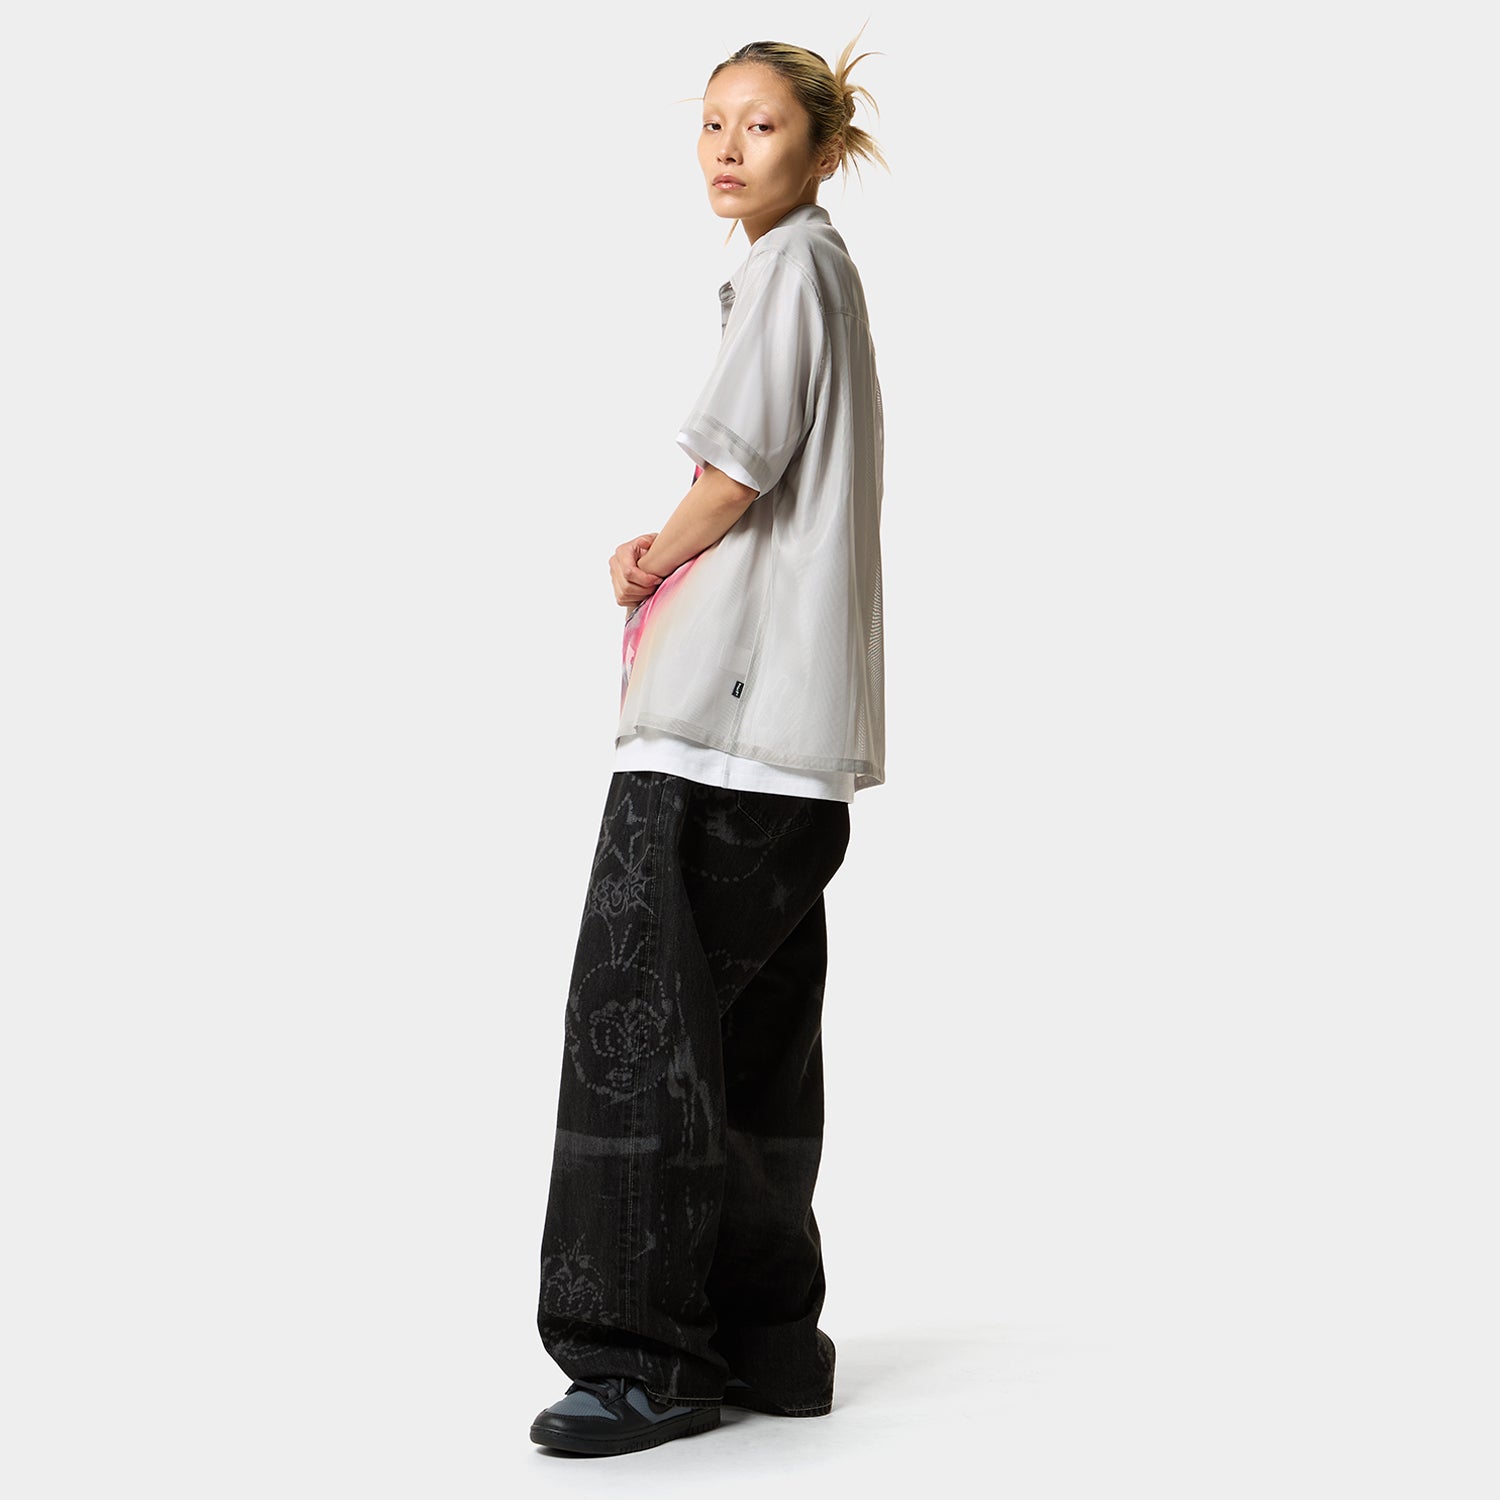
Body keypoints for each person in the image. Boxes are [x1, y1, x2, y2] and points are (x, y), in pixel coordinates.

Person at [531, 27, 890, 1457]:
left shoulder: (793, 269)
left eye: (763, 125)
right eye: (712, 123)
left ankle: (642, 1361)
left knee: (638, 1026)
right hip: (789, 744)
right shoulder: (812, 273)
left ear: (823, 148)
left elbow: (736, 470)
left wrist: (647, 555)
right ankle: (763, 1343)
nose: (729, 148)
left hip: (721, 733)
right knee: (750, 1036)